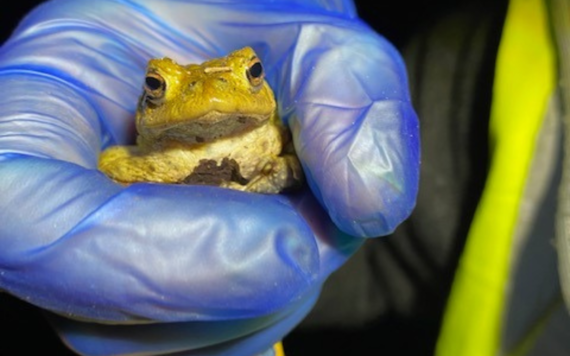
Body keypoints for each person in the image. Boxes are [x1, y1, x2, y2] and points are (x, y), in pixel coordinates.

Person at [0, 0, 420, 355]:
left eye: (253, 74)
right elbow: (108, 166)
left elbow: (298, 165)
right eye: (156, 85)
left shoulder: (273, 133)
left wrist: (306, 206)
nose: (211, 98)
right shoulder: (140, 156)